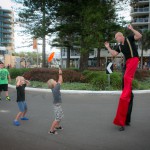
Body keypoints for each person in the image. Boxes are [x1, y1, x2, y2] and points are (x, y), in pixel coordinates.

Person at [104, 24, 142, 131]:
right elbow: (113, 54)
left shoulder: (129, 38)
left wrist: (132, 29)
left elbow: (139, 36)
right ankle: (126, 119)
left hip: (133, 60)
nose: (116, 40)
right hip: (127, 64)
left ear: (120, 36)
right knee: (127, 91)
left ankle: (125, 120)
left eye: (116, 38)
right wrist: (108, 47)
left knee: (126, 86)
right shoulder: (119, 46)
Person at [47, 68, 64, 135]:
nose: (55, 80)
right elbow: (60, 81)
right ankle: (51, 130)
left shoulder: (53, 88)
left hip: (57, 105)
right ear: (53, 84)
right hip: (57, 105)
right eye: (54, 80)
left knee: (60, 116)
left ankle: (57, 126)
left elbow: (59, 82)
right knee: (57, 118)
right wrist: (60, 73)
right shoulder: (56, 88)